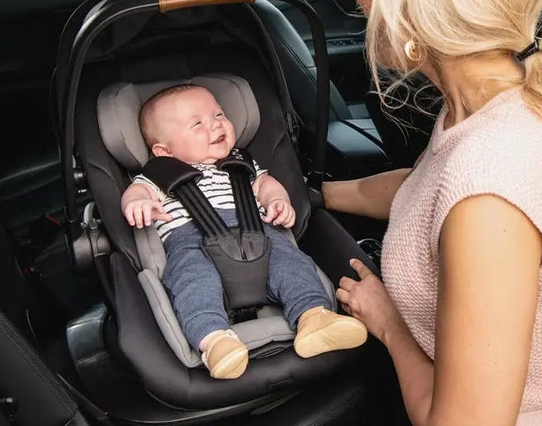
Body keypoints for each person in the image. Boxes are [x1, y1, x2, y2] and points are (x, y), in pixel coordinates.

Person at [324, 0, 542, 426]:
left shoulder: (490, 192)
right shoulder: (497, 103)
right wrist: (320, 195)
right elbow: (426, 185)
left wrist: (387, 322)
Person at [121, 84, 367, 380]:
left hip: (258, 234)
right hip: (192, 242)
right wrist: (138, 202)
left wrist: (276, 200)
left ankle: (314, 316)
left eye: (219, 115)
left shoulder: (241, 163)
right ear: (164, 151)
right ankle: (214, 340)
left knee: (291, 263)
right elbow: (138, 192)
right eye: (197, 124)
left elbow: (265, 184)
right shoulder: (157, 174)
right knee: (191, 281)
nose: (216, 125)